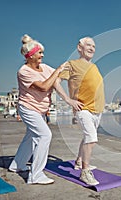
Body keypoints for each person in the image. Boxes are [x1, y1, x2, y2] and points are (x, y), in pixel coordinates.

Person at [8, 34, 83, 185]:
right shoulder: (24, 72)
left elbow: (57, 80)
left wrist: (69, 95)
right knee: (44, 135)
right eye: (40, 52)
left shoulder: (45, 68)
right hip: (28, 108)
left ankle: (17, 165)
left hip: (40, 110)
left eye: (42, 52)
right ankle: (36, 175)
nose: (42, 55)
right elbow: (44, 86)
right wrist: (57, 72)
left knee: (31, 137)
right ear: (30, 55)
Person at [58, 37, 105, 186]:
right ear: (80, 47)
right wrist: (68, 100)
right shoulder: (71, 64)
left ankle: (79, 161)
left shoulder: (94, 67)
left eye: (94, 46)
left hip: (97, 110)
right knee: (91, 138)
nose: (92, 48)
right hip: (83, 108)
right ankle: (84, 172)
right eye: (89, 45)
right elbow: (56, 81)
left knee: (87, 137)